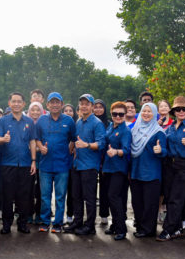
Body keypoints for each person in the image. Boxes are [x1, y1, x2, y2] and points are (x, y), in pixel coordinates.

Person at [0, 92, 37, 234]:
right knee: (7, 196)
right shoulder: (3, 121)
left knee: (24, 196)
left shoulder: (29, 121)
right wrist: (3, 139)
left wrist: (33, 161)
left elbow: (32, 141)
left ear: (24, 104)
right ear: (9, 103)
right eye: (14, 101)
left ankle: (22, 224)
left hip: (25, 164)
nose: (17, 104)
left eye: (19, 101)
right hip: (8, 164)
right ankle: (6, 225)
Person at [159, 96, 185, 241]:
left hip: (183, 164)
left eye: (184, 109)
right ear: (174, 112)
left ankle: (168, 229)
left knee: (177, 198)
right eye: (178, 109)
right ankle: (176, 228)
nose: (181, 112)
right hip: (169, 164)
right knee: (169, 197)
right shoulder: (169, 128)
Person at [34, 92, 76, 233]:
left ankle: (57, 223)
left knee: (60, 197)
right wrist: (40, 147)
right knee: (45, 196)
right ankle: (45, 222)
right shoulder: (41, 120)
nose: (55, 104)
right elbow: (36, 138)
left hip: (62, 165)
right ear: (47, 105)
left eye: (57, 102)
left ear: (62, 104)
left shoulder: (69, 121)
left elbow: (73, 139)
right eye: (52, 102)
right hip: (45, 165)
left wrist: (69, 149)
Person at [65, 94, 106, 236]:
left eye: (87, 104)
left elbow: (101, 144)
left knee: (89, 198)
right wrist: (73, 147)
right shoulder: (78, 122)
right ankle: (77, 222)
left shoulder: (97, 123)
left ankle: (90, 226)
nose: (84, 106)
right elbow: (74, 140)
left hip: (89, 166)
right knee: (76, 196)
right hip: (77, 165)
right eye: (81, 103)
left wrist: (86, 145)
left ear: (92, 106)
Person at [129, 102, 167, 238]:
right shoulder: (134, 130)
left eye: (149, 111)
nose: (146, 114)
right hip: (135, 172)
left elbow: (165, 152)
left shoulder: (158, 132)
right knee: (137, 202)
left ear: (155, 114)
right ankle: (140, 226)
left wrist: (160, 150)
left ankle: (148, 229)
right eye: (144, 111)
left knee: (150, 203)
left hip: (151, 173)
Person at [101, 101, 131, 240]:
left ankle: (121, 229)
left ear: (125, 115)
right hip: (108, 167)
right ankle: (114, 225)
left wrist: (116, 151)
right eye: (115, 114)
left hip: (119, 169)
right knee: (110, 197)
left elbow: (126, 150)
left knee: (115, 197)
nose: (118, 116)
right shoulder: (110, 127)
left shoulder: (125, 131)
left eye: (121, 114)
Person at [27, 101, 44, 223]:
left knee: (40, 191)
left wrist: (37, 148)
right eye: (33, 110)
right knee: (28, 190)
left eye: (38, 110)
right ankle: (28, 214)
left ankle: (39, 214)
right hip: (27, 163)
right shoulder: (26, 123)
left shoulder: (44, 124)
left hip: (42, 163)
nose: (35, 112)